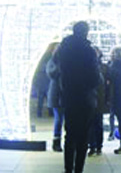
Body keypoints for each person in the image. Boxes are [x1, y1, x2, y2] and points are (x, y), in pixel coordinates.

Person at [51, 21, 101, 173]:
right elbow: (94, 77)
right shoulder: (89, 51)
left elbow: (56, 70)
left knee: (70, 134)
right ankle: (78, 169)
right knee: (83, 136)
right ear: (86, 32)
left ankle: (68, 169)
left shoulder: (63, 50)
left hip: (69, 96)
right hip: (85, 97)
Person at [88, 47, 109, 156]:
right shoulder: (86, 67)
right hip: (90, 100)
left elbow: (108, 85)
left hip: (100, 100)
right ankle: (92, 146)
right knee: (90, 125)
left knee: (98, 124)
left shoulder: (104, 67)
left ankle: (99, 146)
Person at [46, 43, 63, 152]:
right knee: (59, 120)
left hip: (68, 96)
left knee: (68, 121)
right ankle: (56, 142)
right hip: (57, 96)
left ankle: (70, 141)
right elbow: (52, 73)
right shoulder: (52, 62)